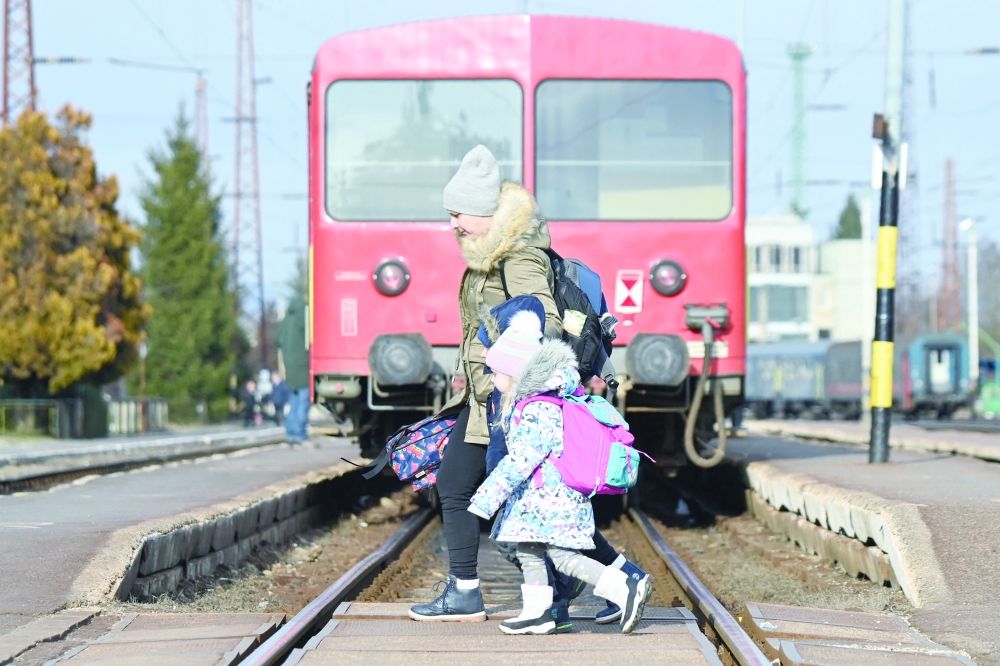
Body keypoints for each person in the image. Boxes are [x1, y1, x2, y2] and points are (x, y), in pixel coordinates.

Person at [409, 145, 562, 622]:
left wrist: (508, 373)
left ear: (484, 213)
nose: (453, 224)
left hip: (507, 403)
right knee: (460, 486)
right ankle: (469, 591)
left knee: (497, 495)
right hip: (483, 399)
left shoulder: (516, 257)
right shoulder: (488, 255)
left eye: (458, 214)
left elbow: (546, 324)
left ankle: (600, 578)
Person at [468, 310, 652, 635]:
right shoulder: (538, 403)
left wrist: (487, 497)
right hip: (543, 500)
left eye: (496, 373)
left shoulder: (537, 408)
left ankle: (624, 587)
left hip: (552, 500)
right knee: (528, 549)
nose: (493, 379)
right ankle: (538, 613)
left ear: (515, 373)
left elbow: (522, 460)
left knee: (564, 558)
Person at [276, 297, 310, 444]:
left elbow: (276, 338)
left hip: (290, 366)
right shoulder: (304, 315)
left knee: (294, 402)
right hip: (304, 365)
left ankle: (291, 434)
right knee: (304, 402)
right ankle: (300, 435)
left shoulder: (287, 318)